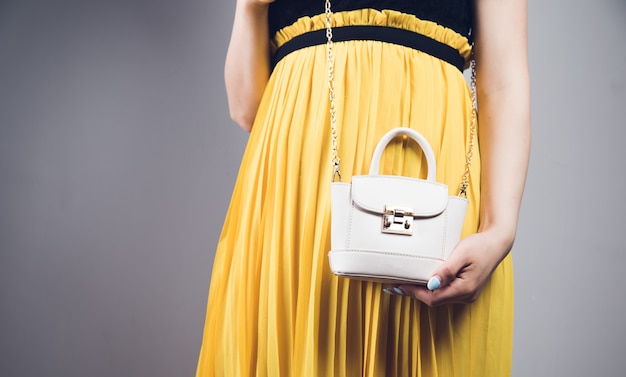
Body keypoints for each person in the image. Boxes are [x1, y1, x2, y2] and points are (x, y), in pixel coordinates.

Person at [197, 0, 530, 375]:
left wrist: (500, 230)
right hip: (298, 194)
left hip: (427, 192)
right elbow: (247, 108)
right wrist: (249, 8)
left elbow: (503, 82)